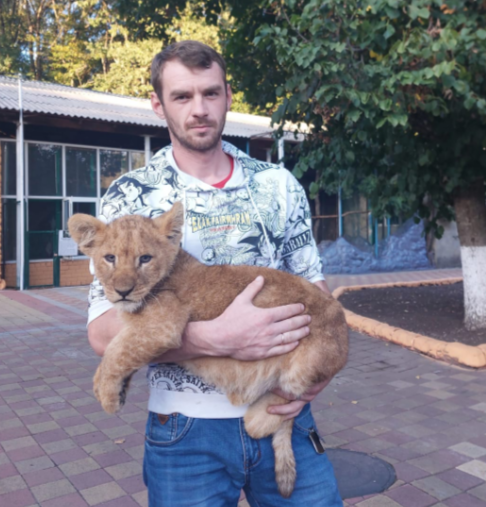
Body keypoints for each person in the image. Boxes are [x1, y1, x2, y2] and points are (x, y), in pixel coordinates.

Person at [86, 40, 343, 507]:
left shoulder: (278, 185)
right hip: (184, 432)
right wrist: (217, 339)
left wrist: (317, 375)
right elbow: (104, 335)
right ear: (158, 104)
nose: (199, 109)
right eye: (182, 96)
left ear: (228, 94)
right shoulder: (129, 195)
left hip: (282, 409)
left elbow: (316, 291)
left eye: (210, 93)